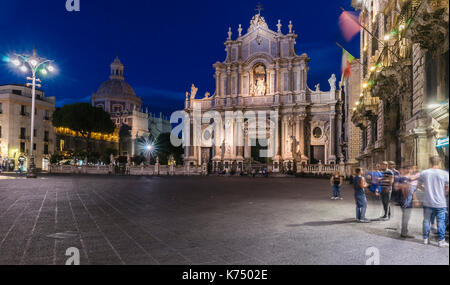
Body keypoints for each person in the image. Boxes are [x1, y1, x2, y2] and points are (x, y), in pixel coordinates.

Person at [418, 156, 449, 248]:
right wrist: (444, 194)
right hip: (441, 202)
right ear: (440, 163)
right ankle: (441, 241)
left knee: (426, 221)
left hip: (428, 201)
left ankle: (425, 239)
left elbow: (418, 185)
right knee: (441, 222)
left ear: (430, 162)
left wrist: (426, 190)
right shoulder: (444, 173)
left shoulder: (424, 173)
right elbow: (447, 188)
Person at [398, 166, 416, 239]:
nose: (412, 171)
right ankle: (404, 233)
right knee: (406, 217)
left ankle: (404, 231)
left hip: (404, 200)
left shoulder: (404, 178)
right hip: (406, 201)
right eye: (411, 169)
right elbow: (404, 190)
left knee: (405, 217)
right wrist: (406, 200)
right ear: (408, 170)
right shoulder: (404, 179)